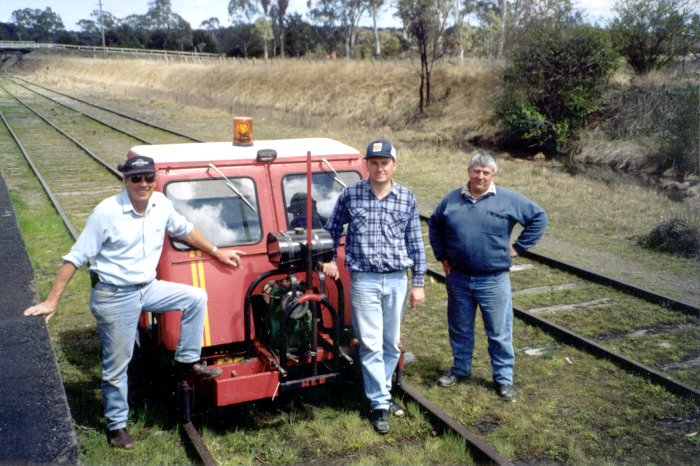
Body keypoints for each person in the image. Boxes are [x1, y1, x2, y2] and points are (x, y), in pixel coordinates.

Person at [23, 155, 245, 449]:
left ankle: (185, 363)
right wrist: (52, 301)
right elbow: (74, 257)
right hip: (114, 295)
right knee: (117, 366)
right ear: (125, 180)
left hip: (147, 287)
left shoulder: (161, 204)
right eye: (136, 178)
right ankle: (116, 427)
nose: (144, 184)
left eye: (149, 178)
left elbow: (185, 229)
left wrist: (216, 250)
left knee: (195, 297)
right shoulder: (107, 212)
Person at [323, 139, 426, 434]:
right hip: (365, 280)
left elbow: (416, 243)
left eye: (385, 163)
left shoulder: (406, 197)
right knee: (370, 343)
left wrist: (417, 283)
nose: (379, 168)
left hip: (397, 279)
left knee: (390, 343)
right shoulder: (351, 194)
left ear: (394, 165)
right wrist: (329, 259)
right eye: (374, 163)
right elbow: (331, 230)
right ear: (366, 165)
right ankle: (380, 404)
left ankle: (382, 392)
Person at [428, 151, 547, 402]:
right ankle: (460, 370)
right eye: (476, 171)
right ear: (469, 172)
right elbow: (435, 225)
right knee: (460, 328)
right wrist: (442, 256)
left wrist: (517, 248)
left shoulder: (508, 199)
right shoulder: (451, 200)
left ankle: (503, 380)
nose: (480, 176)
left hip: (493, 280)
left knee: (499, 331)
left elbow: (539, 217)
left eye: (486, 172)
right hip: (458, 279)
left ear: (492, 174)